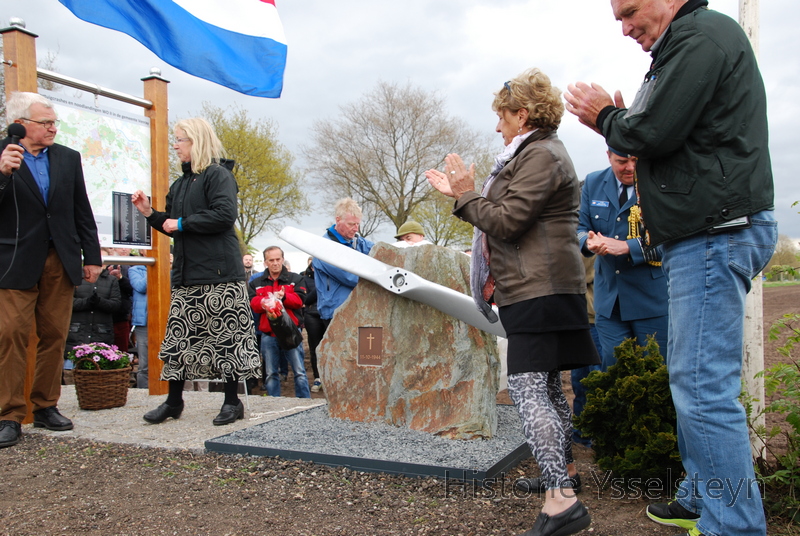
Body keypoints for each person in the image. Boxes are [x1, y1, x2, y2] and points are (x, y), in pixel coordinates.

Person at [564, 1, 777, 535]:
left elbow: (654, 132)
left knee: (702, 387)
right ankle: (702, 496)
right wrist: (626, 123)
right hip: (702, 233)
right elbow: (659, 133)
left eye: (630, 10)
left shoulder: (700, 36)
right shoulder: (686, 42)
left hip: (713, 232)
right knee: (691, 381)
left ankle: (735, 525)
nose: (624, 25)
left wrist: (608, 119)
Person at [426, 68, 598, 536]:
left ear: (521, 114)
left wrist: (464, 195)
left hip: (538, 290)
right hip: (543, 286)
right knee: (545, 388)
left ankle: (560, 500)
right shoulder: (534, 152)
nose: (496, 125)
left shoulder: (540, 154)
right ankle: (559, 478)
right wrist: (463, 195)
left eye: (501, 116)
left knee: (524, 389)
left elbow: (507, 222)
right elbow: (506, 217)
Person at [131, 117, 261, 426]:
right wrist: (150, 213)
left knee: (227, 340)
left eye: (180, 139)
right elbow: (172, 227)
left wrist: (183, 223)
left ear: (197, 141)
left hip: (221, 275)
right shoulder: (179, 184)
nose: (174, 145)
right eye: (174, 139)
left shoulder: (219, 175)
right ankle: (174, 402)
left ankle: (232, 402)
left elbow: (224, 214)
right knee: (179, 341)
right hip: (187, 276)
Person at [0, 92, 102, 449]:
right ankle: (10, 415)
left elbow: (81, 208)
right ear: (22, 124)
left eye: (54, 122)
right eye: (46, 123)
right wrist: (2, 174)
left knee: (55, 334)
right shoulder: (2, 154)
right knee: (10, 334)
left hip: (60, 258)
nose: (53, 128)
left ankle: (45, 405)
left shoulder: (68, 158)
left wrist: (92, 256)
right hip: (13, 261)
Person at [578, 148, 668, 371]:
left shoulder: (660, 181)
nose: (629, 167)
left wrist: (628, 247)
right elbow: (579, 228)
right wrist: (587, 242)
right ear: (608, 156)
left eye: (635, 160)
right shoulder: (594, 182)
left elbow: (672, 239)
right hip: (609, 301)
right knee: (613, 373)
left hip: (651, 301)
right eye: (622, 161)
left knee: (656, 373)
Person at [249, 246, 310, 398]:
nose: (275, 263)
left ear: (283, 260)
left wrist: (283, 298)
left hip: (291, 332)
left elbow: (300, 301)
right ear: (265, 262)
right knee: (270, 373)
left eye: (278, 259)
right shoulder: (256, 282)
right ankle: (273, 402)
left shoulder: (295, 279)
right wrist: (265, 302)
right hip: (268, 333)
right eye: (271, 260)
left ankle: (305, 402)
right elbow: (252, 303)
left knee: (300, 372)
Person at [312, 198, 374, 329]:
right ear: (338, 220)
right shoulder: (323, 248)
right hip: (335, 313)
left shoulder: (358, 242)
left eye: (357, 224)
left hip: (359, 309)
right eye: (351, 224)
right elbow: (350, 277)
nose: (355, 229)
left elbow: (379, 252)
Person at [64, 248, 122, 357]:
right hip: (76, 333)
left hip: (101, 334)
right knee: (70, 370)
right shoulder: (76, 277)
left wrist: (99, 302)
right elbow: (67, 303)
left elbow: (116, 304)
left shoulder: (111, 280)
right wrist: (87, 302)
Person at [301, 258, 324, 392]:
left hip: (328, 313)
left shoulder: (329, 276)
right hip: (311, 315)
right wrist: (319, 288)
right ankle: (317, 378)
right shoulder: (305, 279)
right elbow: (305, 299)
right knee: (315, 347)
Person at [109, 247, 133, 352]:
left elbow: (132, 289)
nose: (124, 249)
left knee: (121, 350)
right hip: (103, 315)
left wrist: (120, 278)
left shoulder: (132, 266)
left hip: (121, 314)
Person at [128, 263, 148, 388]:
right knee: (144, 363)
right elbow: (141, 287)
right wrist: (156, 267)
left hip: (168, 320)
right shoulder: (135, 270)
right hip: (144, 321)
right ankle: (143, 392)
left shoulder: (171, 268)